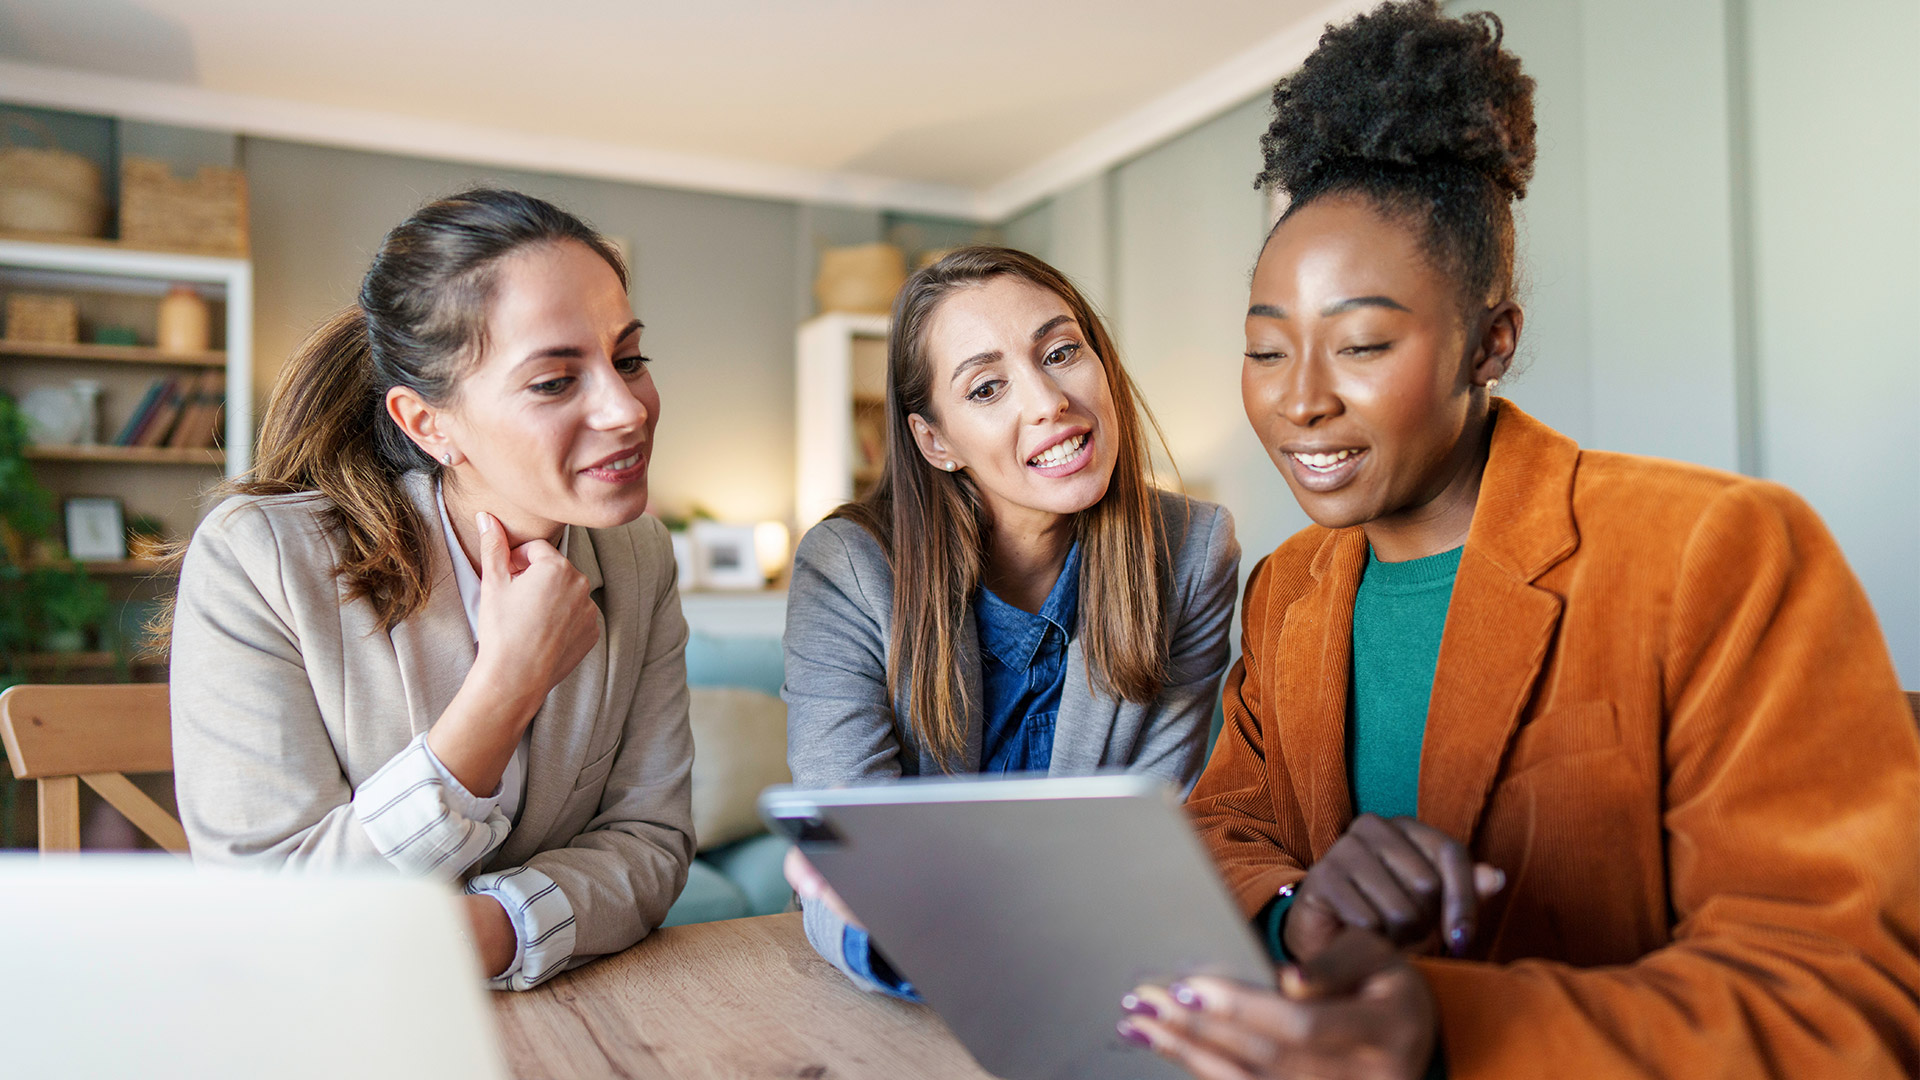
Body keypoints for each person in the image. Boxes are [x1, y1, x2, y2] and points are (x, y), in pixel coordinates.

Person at [1115, 3, 1920, 1076]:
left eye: (1361, 343)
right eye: (1266, 352)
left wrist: (1452, 1032)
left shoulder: (1720, 552)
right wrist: (1303, 912)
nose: (1300, 401)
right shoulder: (1287, 587)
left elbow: (1841, 1000)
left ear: (1490, 342)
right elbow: (1226, 832)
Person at [169, 189, 695, 991]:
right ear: (427, 423)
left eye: (628, 359)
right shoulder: (259, 560)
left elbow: (651, 841)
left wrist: (489, 932)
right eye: (555, 381)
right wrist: (506, 686)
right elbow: (266, 913)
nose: (628, 409)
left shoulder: (639, 558)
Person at [782, 246, 1241, 994]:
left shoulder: (1192, 551)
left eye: (1060, 352)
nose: (1048, 400)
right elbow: (852, 852)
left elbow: (1156, 832)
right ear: (935, 441)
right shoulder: (849, 567)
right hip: (903, 973)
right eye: (988, 387)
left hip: (1098, 965)